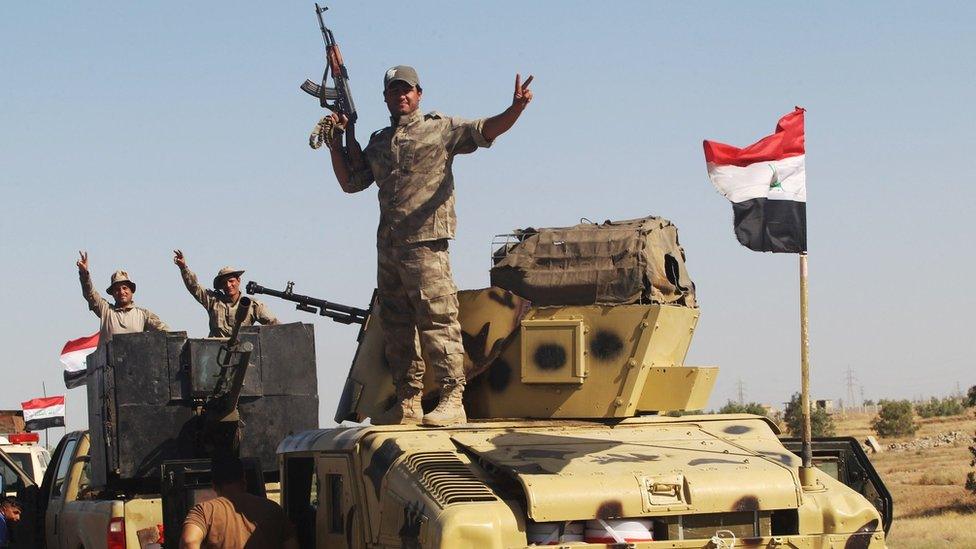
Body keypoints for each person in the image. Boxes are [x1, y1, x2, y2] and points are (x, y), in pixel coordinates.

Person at [321, 65, 534, 426]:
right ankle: (409, 401)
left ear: (419, 94)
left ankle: (452, 398)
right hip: (389, 248)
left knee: (438, 321)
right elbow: (351, 182)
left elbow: (485, 130)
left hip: (427, 245)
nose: (401, 96)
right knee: (397, 327)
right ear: (386, 98)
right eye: (394, 91)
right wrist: (336, 142)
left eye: (407, 90)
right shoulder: (378, 142)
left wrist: (515, 109)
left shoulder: (440, 129)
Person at [180, 457, 297, 549]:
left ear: (214, 486)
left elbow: (189, 541)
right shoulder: (273, 509)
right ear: (244, 481)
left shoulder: (205, 511)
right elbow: (292, 545)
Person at [173, 250, 278, 338]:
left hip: (243, 353)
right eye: (224, 283)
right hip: (215, 355)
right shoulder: (213, 301)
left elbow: (274, 325)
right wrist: (183, 268)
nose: (228, 285)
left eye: (231, 281)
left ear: (238, 281)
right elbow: (194, 287)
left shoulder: (253, 305)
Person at [76, 251, 169, 343]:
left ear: (131, 291)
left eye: (125, 288)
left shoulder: (142, 314)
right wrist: (84, 273)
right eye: (117, 289)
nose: (121, 292)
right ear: (112, 294)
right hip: (109, 357)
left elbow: (164, 330)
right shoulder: (106, 310)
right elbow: (90, 294)